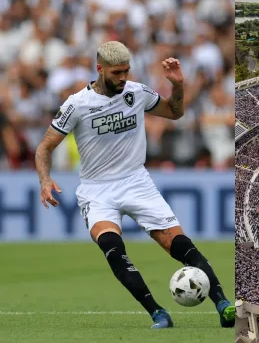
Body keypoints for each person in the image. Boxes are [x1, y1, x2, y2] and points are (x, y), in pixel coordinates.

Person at [34, 41, 235, 329]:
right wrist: (45, 180)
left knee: (179, 245)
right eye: (117, 73)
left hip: (136, 182)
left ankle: (223, 304)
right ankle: (157, 313)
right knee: (113, 248)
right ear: (100, 69)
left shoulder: (136, 92)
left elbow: (174, 112)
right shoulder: (76, 104)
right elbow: (44, 147)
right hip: (97, 189)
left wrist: (177, 86)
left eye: (126, 71)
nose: (123, 78)